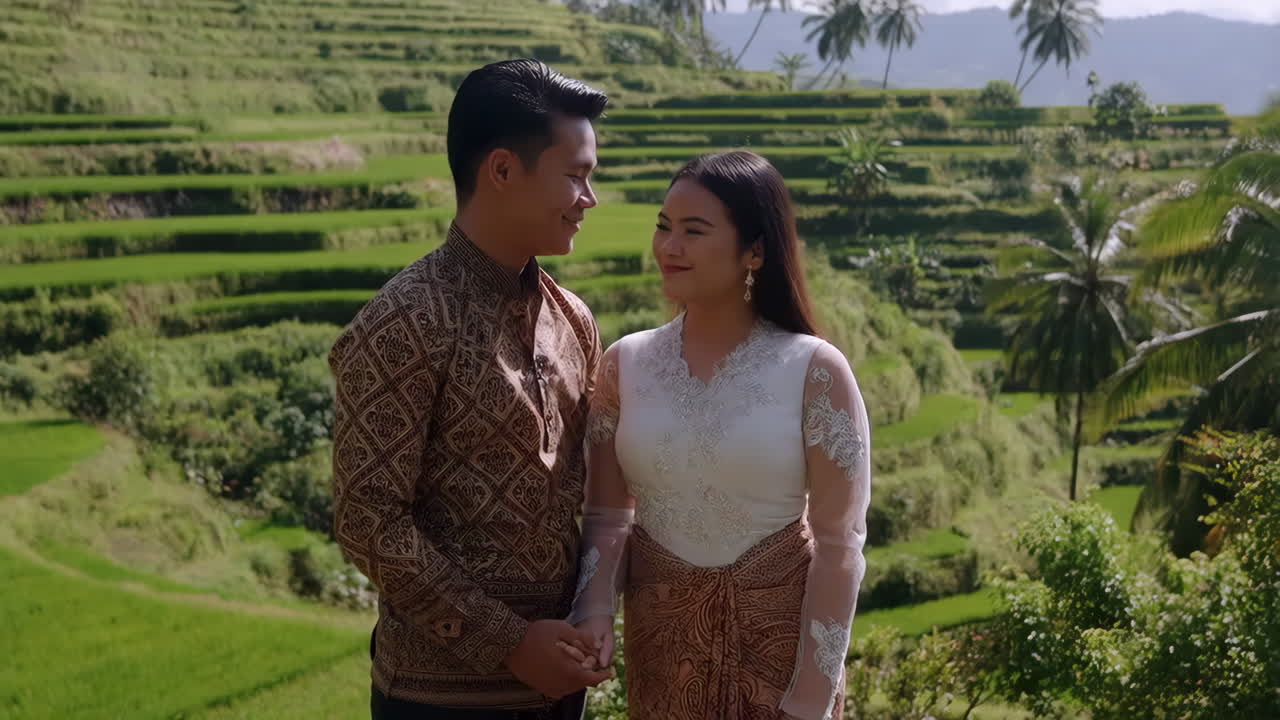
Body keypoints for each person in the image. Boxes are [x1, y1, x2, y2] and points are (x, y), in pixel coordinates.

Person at [328, 58, 613, 719]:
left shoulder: (574, 320)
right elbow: (368, 520)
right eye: (576, 175)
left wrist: (594, 615)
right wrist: (509, 643)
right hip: (437, 699)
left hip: (559, 689)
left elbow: (597, 495)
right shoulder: (405, 320)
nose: (589, 198)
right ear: (503, 171)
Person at [567, 151, 872, 719]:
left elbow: (840, 543)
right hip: (662, 661)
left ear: (755, 251)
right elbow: (607, 515)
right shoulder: (624, 364)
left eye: (694, 230)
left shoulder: (814, 370)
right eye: (664, 226)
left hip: (783, 672)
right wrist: (593, 613)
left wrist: (810, 699)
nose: (669, 246)